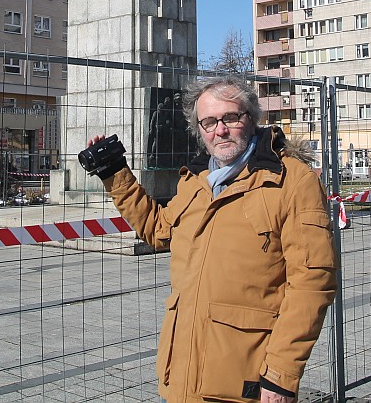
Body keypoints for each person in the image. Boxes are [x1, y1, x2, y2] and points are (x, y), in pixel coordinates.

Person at [83, 76, 338, 403]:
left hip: (244, 381)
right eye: (209, 122)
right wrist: (114, 171)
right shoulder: (196, 181)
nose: (220, 130)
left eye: (231, 117)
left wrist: (281, 375)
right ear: (199, 129)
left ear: (251, 117)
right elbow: (159, 230)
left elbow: (313, 283)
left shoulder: (291, 181)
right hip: (181, 376)